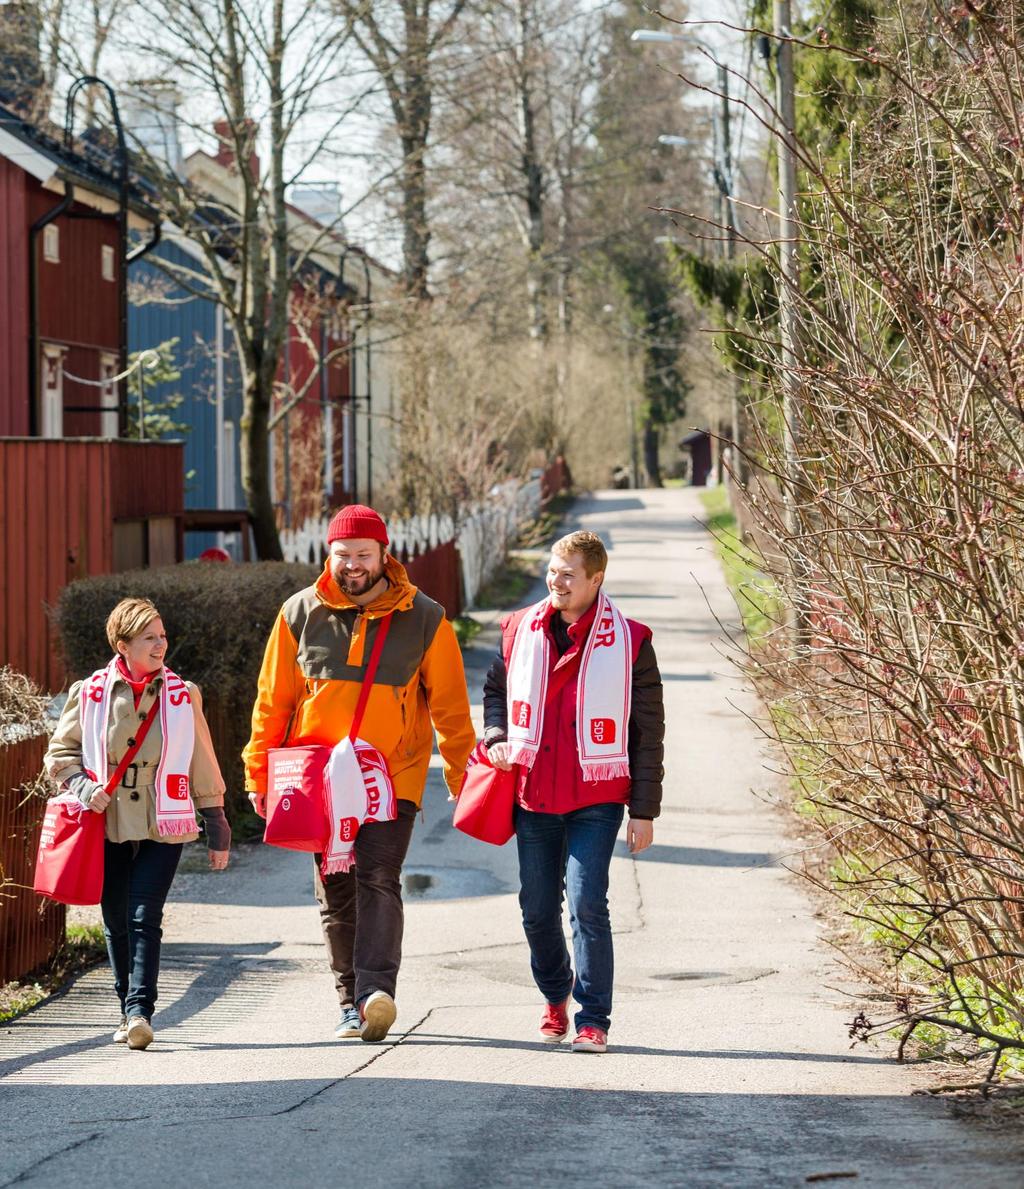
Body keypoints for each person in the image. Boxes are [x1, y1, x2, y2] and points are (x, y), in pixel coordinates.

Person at [243, 504, 475, 1043]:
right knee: (336, 889)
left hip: (395, 775)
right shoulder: (299, 614)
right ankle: (350, 1002)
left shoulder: (426, 618)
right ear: (329, 554)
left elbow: (451, 712)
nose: (352, 565)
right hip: (318, 782)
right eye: (342, 555)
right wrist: (259, 773)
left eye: (363, 555)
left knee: (377, 876)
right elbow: (272, 701)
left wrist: (465, 783)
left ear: (383, 554)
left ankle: (377, 992)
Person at [482, 530, 664, 1054]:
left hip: (597, 796)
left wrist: (644, 810)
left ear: (596, 579)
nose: (555, 582)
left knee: (587, 903)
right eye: (552, 571)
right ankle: (556, 995)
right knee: (537, 908)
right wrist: (497, 735)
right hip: (534, 793)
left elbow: (646, 731)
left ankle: (594, 1019)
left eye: (568, 574)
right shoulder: (519, 631)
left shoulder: (631, 642)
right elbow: (497, 691)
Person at [44, 597, 231, 1051]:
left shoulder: (184, 694)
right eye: (150, 637)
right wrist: (87, 789)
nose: (161, 644)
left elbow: (201, 759)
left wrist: (217, 818)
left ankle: (140, 1011)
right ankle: (126, 1007)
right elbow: (59, 756)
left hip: (164, 817)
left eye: (163, 636)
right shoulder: (88, 694)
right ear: (122, 644)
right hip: (105, 819)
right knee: (116, 919)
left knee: (145, 915)